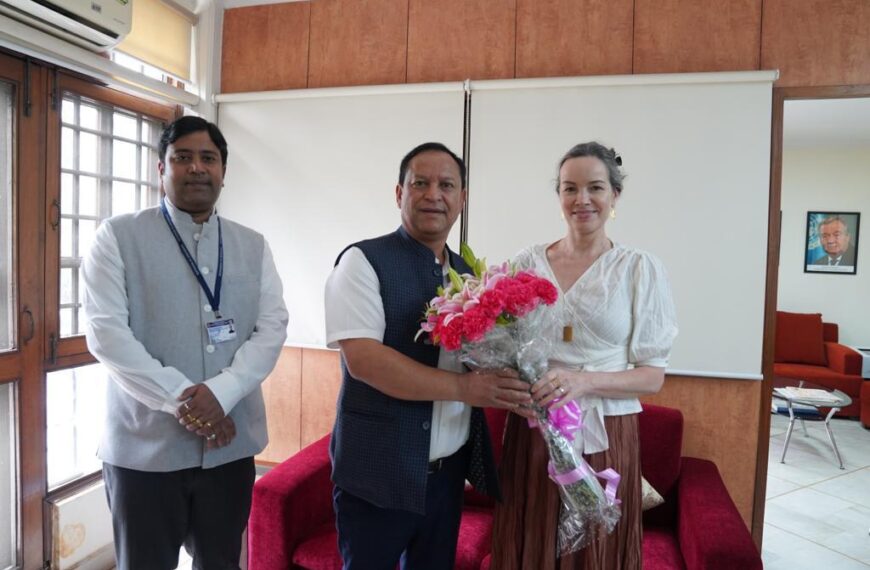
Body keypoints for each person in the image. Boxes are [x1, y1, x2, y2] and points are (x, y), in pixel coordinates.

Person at [82, 116, 288, 569]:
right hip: (144, 450)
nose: (197, 168)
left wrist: (223, 392)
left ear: (223, 171)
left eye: (208, 158)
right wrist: (185, 401)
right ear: (161, 168)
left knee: (220, 563)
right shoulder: (117, 237)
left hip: (230, 451)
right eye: (183, 157)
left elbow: (272, 326)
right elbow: (107, 335)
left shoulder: (252, 245)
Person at [324, 142, 532, 570]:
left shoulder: (473, 277)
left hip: (448, 477)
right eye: (420, 183)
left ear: (462, 198)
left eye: (446, 185)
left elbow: (487, 354)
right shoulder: (362, 262)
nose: (433, 194)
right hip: (377, 475)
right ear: (399, 194)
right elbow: (364, 360)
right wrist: (465, 388)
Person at [491, 142, 678, 569]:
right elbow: (506, 346)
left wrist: (583, 381)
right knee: (531, 539)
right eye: (569, 188)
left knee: (594, 550)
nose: (582, 199)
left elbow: (652, 377)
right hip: (535, 430)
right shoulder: (526, 262)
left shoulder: (639, 268)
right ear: (558, 196)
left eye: (595, 187)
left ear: (614, 195)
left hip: (605, 432)